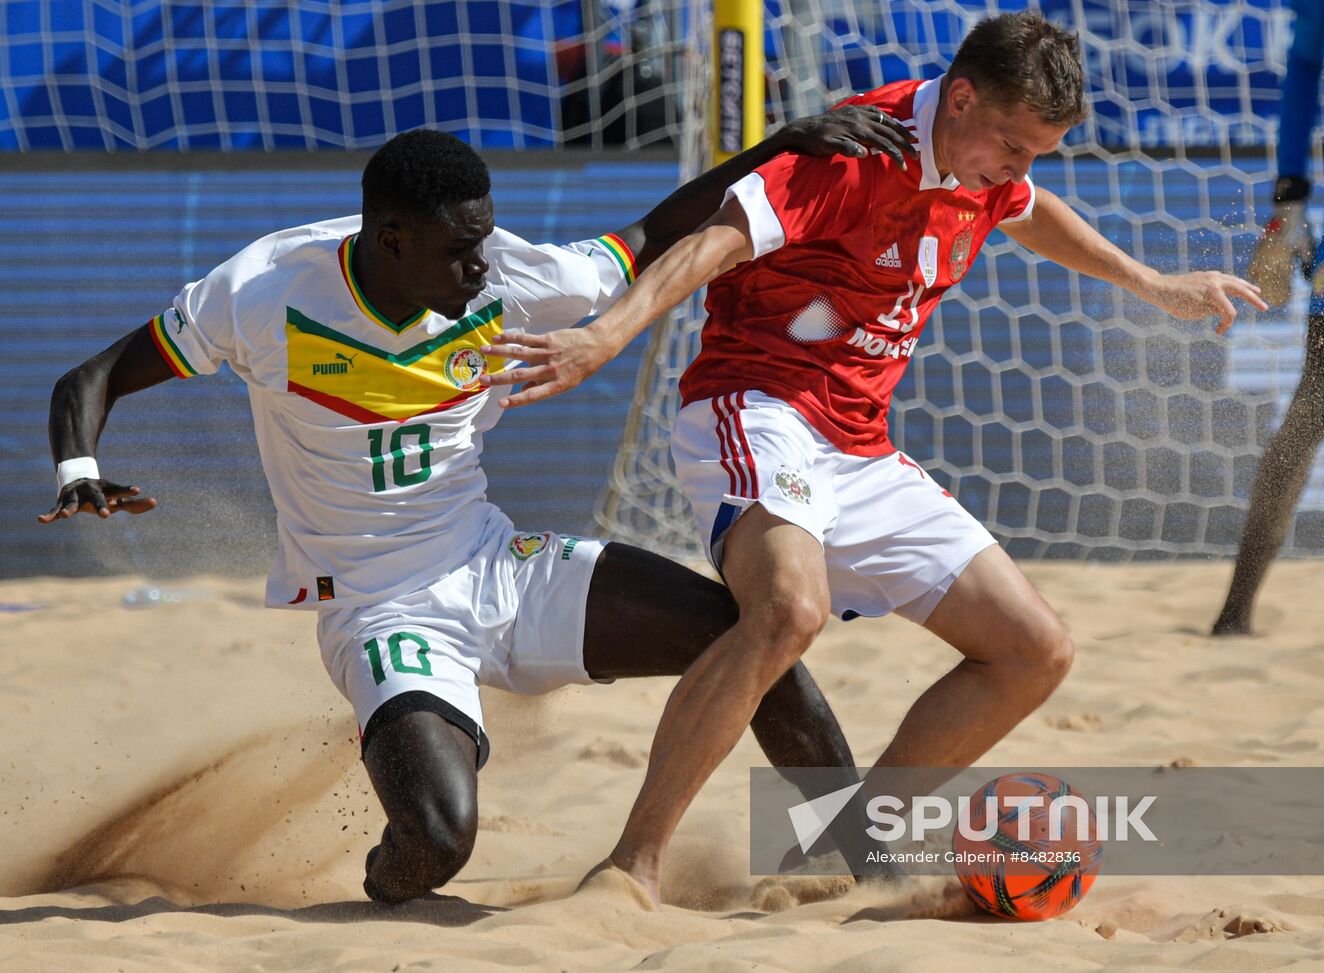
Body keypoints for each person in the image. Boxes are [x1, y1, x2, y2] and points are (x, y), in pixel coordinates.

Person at [482, 10, 1267, 906]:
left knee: (1035, 649)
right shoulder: (859, 150)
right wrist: (603, 335)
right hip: (757, 405)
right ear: (960, 99)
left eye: (1038, 152)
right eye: (1013, 145)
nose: (1020, 169)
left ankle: (845, 845)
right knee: (787, 610)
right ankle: (631, 864)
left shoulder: (989, 164)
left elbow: (1028, 209)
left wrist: (1155, 284)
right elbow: (714, 241)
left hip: (859, 444)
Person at [37, 111, 918, 904]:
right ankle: (385, 854)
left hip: (497, 561)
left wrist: (782, 144)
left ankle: (854, 864)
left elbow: (652, 232)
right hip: (380, 607)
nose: (483, 264)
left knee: (754, 634)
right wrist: (79, 465)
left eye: (486, 240)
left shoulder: (510, 278)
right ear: (389, 241)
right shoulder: (266, 291)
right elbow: (96, 374)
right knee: (438, 838)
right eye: (461, 249)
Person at [1211, 0, 1324, 636]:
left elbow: (1307, 62)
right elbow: (1305, 61)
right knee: (1314, 408)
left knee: (1312, 410)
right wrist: (1288, 199)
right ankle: (1235, 614)